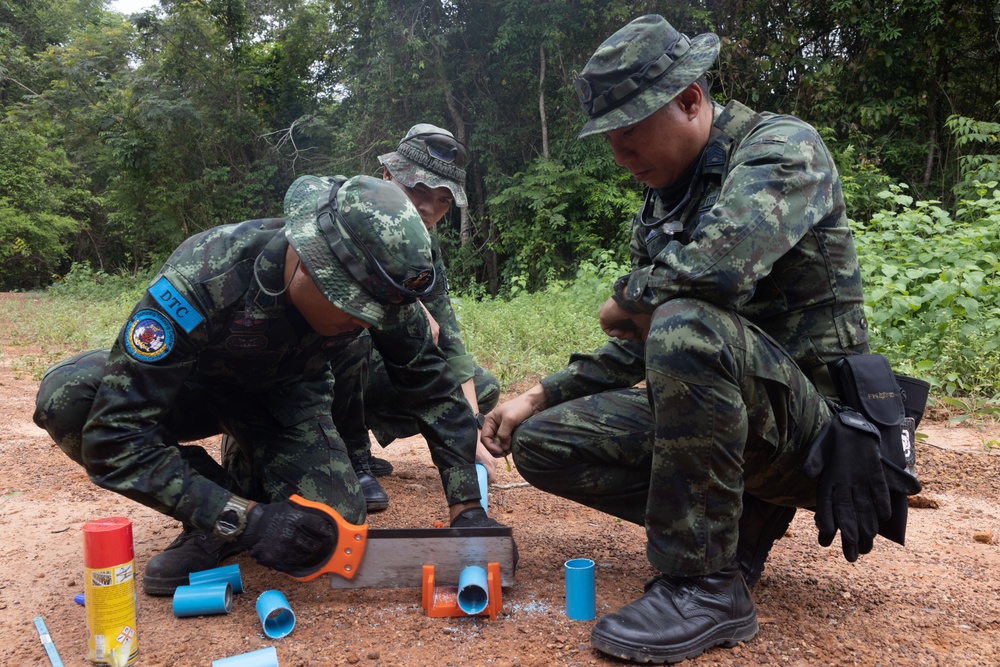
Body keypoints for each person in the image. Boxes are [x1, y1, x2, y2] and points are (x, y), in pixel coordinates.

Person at [482, 15, 873, 664]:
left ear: (690, 100)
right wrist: (537, 394)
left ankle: (705, 582)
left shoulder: (781, 148)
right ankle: (733, 522)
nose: (619, 155)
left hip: (818, 432)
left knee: (684, 320)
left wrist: (630, 296)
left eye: (630, 132)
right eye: (609, 139)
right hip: (738, 415)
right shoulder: (662, 204)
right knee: (544, 442)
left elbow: (715, 270)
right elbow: (639, 345)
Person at [34, 174, 508, 597]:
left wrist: (467, 507)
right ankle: (217, 509)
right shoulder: (204, 276)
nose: (361, 326)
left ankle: (248, 466)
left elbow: (432, 389)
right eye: (350, 308)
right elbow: (115, 436)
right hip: (185, 390)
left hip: (283, 397)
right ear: (306, 259)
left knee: (332, 528)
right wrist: (248, 521)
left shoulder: (386, 289)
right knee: (70, 399)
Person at [334, 124, 501, 512]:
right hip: (311, 373)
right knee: (354, 329)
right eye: (419, 191)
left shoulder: (426, 243)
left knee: (481, 386)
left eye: (443, 200)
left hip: (373, 371)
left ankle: (349, 436)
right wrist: (410, 306)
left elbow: (449, 334)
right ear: (388, 176)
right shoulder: (347, 212)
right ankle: (349, 455)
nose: (428, 209)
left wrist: (469, 432)